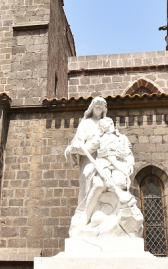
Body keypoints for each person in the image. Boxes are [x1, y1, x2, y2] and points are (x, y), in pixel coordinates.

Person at [64, 97, 108, 237]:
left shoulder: (107, 123)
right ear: (92, 107)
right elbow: (78, 141)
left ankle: (99, 216)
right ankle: (85, 216)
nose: (99, 107)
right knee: (87, 182)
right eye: (96, 105)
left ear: (104, 109)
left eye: (101, 106)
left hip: (103, 159)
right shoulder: (86, 123)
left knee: (102, 184)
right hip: (88, 159)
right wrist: (74, 148)